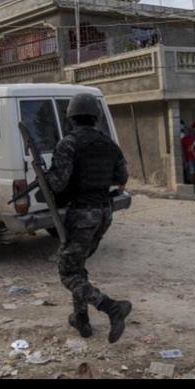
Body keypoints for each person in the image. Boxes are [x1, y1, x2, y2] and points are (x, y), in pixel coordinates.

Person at [44, 93, 132, 343]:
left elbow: (59, 185)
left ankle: (111, 307)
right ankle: (81, 319)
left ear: (71, 117)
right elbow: (121, 177)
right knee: (78, 266)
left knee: (68, 273)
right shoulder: (108, 144)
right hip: (104, 213)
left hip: (82, 214)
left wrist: (46, 176)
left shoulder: (68, 143)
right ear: (95, 116)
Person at [181, 124, 195, 192]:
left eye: (191, 130)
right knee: (191, 173)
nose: (190, 131)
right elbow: (183, 150)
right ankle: (193, 188)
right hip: (189, 159)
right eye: (188, 130)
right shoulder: (184, 140)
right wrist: (184, 160)